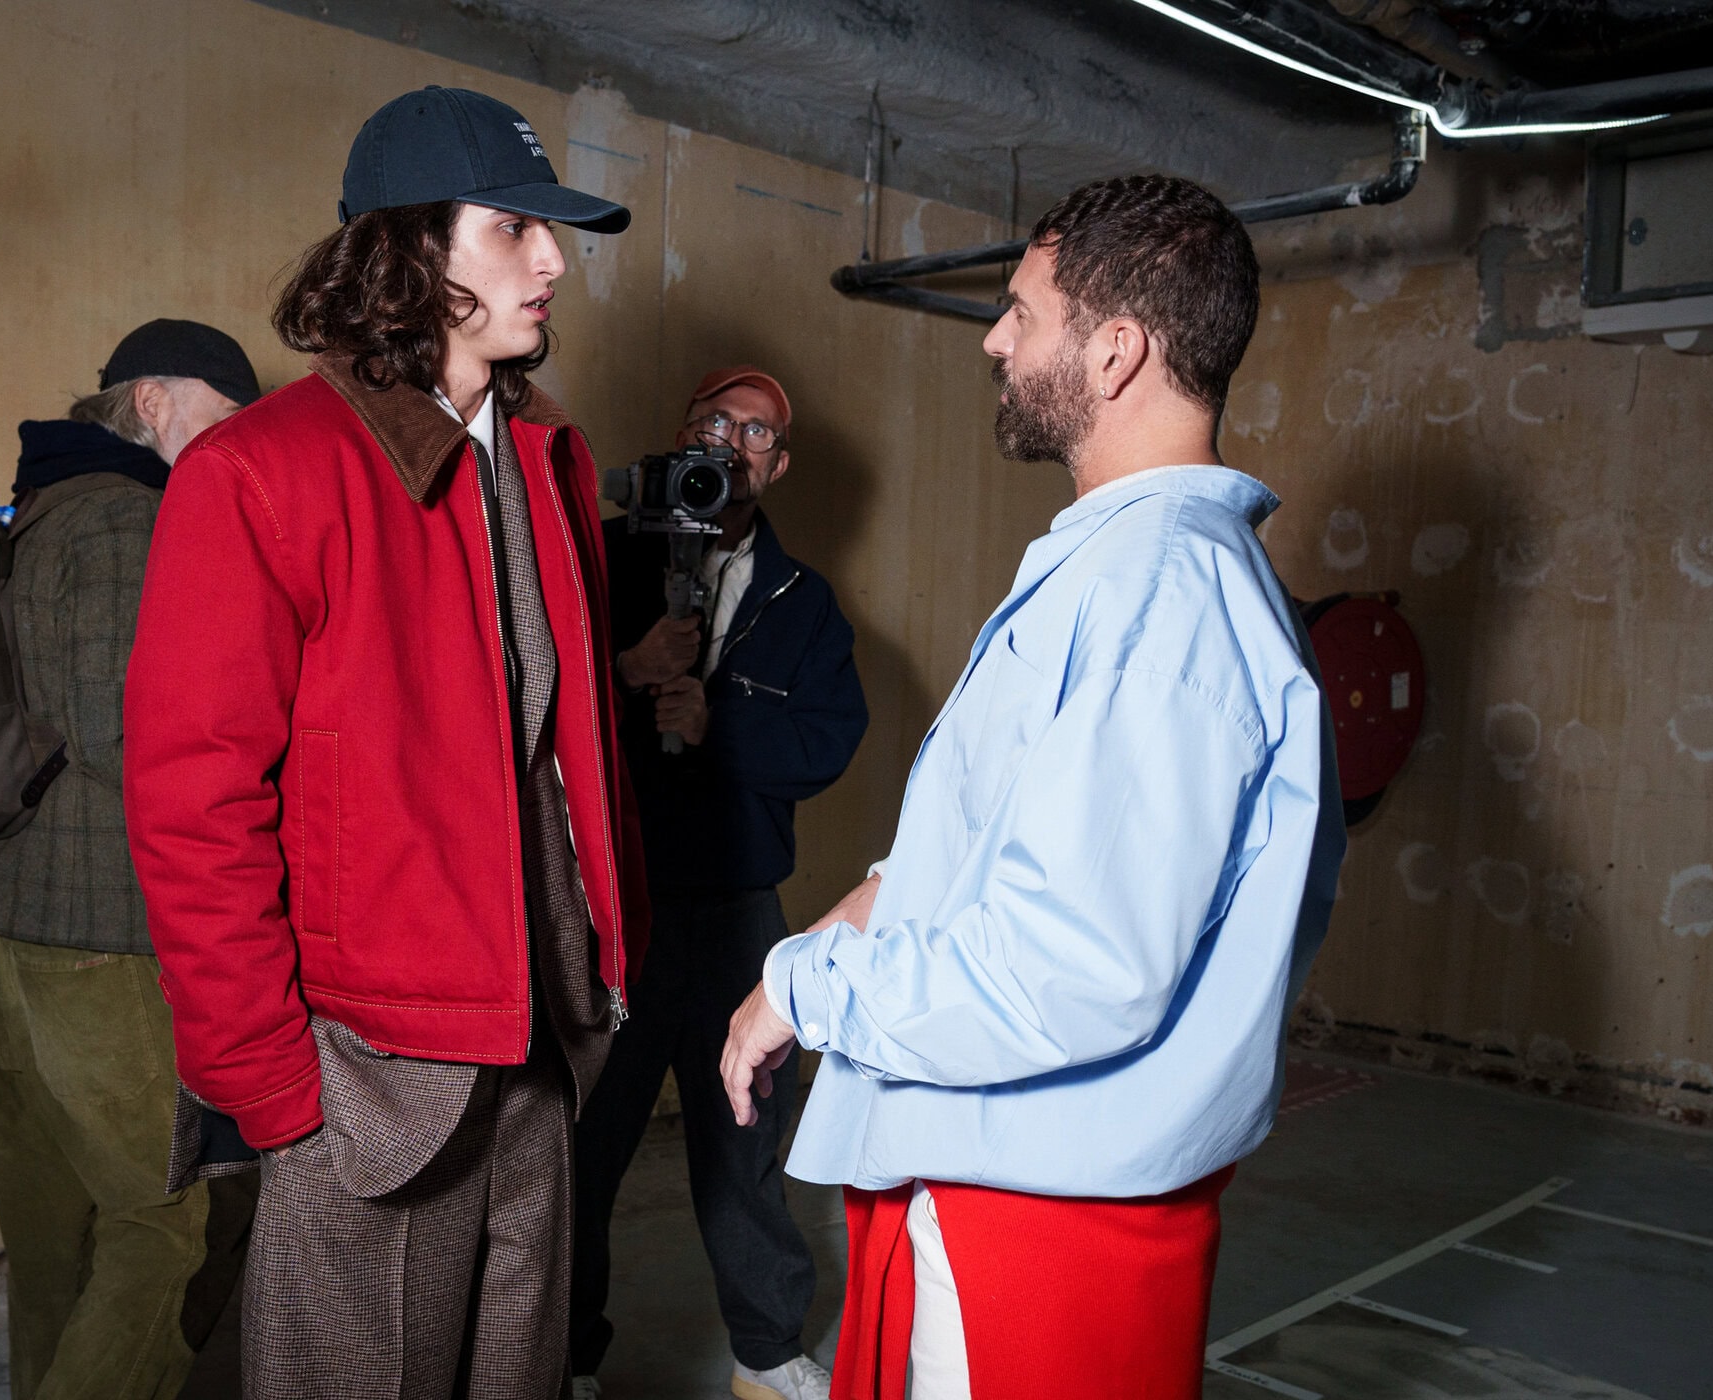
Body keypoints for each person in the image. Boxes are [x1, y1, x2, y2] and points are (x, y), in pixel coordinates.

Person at [720, 175, 1348, 1399]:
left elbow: (1066, 968)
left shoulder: (1158, 596)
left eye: (1021, 310)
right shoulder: (1123, 568)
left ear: (1116, 351)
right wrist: (812, 949)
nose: (997, 339)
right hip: (993, 1181)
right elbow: (972, 853)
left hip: (1040, 1217)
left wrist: (810, 984)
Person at [122, 86, 649, 1400]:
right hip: (366, 1082)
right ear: (411, 250)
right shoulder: (259, 473)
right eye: (515, 227)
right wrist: (277, 1086)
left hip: (536, 1052)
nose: (553, 260)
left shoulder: (541, 463)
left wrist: (597, 986)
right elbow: (194, 805)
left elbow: (562, 758)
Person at [0, 318, 260, 1400]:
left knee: (52, 1248)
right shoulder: (131, 519)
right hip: (96, 947)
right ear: (154, 403)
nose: (230, 453)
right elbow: (121, 728)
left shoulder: (34, 508)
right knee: (166, 1231)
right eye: (222, 423)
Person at [571, 368, 867, 1400]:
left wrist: (717, 726)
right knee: (583, 1139)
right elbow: (522, 704)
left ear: (776, 464)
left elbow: (832, 739)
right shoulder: (598, 559)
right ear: (680, 436)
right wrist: (624, 666)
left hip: (738, 908)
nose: (729, 439)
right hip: (611, 903)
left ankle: (767, 1347)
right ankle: (563, 1354)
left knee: (744, 1134)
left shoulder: (804, 602)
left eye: (755, 429)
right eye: (711, 420)